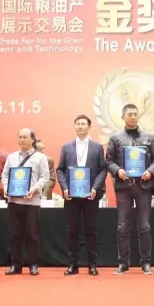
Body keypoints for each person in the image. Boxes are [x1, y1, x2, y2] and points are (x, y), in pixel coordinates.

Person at [106, 104, 154, 275]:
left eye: (136, 114)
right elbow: (108, 161)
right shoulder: (115, 138)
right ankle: (123, 263)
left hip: (144, 186)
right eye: (130, 114)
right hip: (124, 187)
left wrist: (150, 171)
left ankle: (146, 263)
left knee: (144, 226)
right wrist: (118, 171)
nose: (133, 117)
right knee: (122, 226)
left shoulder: (148, 138)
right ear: (123, 117)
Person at [56, 115, 107, 276]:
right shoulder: (66, 147)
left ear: (89, 126)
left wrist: (95, 187)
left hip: (90, 195)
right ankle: (73, 264)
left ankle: (92, 264)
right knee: (72, 230)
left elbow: (103, 169)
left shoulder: (97, 147)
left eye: (83, 124)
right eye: (77, 124)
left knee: (91, 230)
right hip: (71, 196)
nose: (80, 126)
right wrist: (64, 188)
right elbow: (60, 170)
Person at [1, 128, 49, 276]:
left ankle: (33, 264)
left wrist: (34, 189)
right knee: (14, 235)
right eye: (20, 137)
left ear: (32, 139)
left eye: (25, 137)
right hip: (13, 201)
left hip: (31, 202)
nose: (21, 140)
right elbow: (5, 176)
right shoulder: (11, 157)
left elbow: (45, 177)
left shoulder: (40, 157)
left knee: (32, 235)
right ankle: (15, 265)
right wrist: (6, 188)